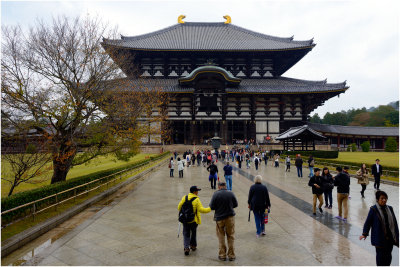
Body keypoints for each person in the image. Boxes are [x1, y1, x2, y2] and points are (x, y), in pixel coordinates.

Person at [359, 191, 399, 266]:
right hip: (379, 238)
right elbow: (368, 222)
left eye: (385, 198)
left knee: (388, 257)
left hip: (389, 238)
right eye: (382, 198)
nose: (384, 200)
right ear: (377, 199)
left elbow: (394, 223)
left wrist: (397, 236)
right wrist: (364, 234)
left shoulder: (390, 208)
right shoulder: (374, 209)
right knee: (380, 258)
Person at [178, 186, 211, 256]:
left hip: (185, 220)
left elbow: (179, 207)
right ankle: (193, 246)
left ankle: (186, 248)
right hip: (193, 220)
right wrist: (210, 208)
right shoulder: (196, 200)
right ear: (194, 192)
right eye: (197, 191)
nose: (198, 192)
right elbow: (202, 210)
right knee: (193, 233)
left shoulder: (185, 197)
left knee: (186, 233)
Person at [209, 182, 238, 261]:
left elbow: (211, 206)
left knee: (221, 236)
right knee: (231, 236)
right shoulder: (231, 193)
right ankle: (231, 255)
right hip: (230, 217)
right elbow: (235, 204)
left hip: (219, 218)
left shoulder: (215, 194)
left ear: (219, 187)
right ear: (225, 186)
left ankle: (222, 255)